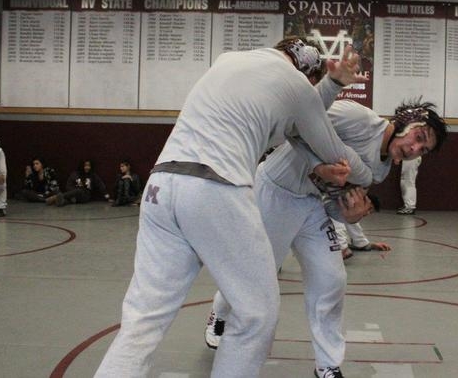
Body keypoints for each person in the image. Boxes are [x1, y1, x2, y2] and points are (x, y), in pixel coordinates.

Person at [94, 38, 372, 378]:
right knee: (256, 314)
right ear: (308, 74)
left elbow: (295, 132)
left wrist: (315, 160)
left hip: (161, 186)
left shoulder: (228, 61)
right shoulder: (297, 84)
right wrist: (368, 174)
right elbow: (331, 147)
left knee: (143, 318)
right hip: (215, 187)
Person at [204, 98, 447, 378]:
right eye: (419, 137)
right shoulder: (356, 117)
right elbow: (295, 123)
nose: (415, 149)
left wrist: (349, 215)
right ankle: (220, 312)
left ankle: (327, 364)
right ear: (406, 122)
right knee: (255, 274)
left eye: (423, 150)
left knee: (332, 279)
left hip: (311, 205)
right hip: (276, 191)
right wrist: (318, 166)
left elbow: (334, 203)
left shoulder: (379, 170)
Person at [45, 160, 109, 207]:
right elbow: (68, 185)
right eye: (85, 165)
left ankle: (56, 196)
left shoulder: (93, 175)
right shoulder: (75, 174)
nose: (87, 167)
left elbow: (100, 184)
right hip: (73, 194)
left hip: (85, 196)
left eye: (89, 166)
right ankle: (61, 201)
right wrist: (73, 194)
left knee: (79, 190)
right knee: (68, 196)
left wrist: (106, 195)